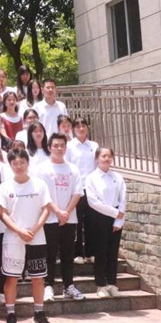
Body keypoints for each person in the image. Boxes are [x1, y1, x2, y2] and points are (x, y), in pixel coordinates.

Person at [0, 148, 56, 323]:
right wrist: (19, 231)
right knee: (11, 278)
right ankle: (10, 314)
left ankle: (39, 313)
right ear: (10, 165)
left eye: (22, 162)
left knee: (38, 278)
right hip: (13, 239)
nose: (19, 166)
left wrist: (34, 229)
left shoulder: (39, 185)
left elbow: (46, 209)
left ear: (27, 163)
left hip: (36, 238)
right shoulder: (5, 187)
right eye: (15, 163)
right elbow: (2, 213)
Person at [35, 134, 84, 302]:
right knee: (49, 254)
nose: (59, 148)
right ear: (49, 148)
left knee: (68, 254)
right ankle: (48, 285)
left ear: (65, 147)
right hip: (49, 219)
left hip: (69, 219)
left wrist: (66, 213)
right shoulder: (41, 169)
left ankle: (68, 285)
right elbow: (43, 195)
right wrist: (57, 212)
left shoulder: (73, 169)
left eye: (62, 145)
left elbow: (77, 193)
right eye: (55, 145)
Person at [84, 147, 126, 298]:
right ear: (97, 159)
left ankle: (112, 284)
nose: (106, 159)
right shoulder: (91, 178)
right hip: (99, 217)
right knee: (100, 252)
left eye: (109, 156)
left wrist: (119, 220)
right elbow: (93, 202)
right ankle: (100, 285)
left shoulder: (118, 177)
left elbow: (123, 199)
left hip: (116, 220)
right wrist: (114, 213)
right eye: (103, 156)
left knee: (112, 253)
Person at [67, 117, 99, 264]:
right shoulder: (69, 146)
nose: (81, 129)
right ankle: (78, 252)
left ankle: (91, 252)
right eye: (78, 126)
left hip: (91, 188)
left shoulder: (94, 145)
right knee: (77, 222)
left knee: (91, 221)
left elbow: (97, 166)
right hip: (77, 189)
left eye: (83, 126)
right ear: (73, 129)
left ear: (87, 128)